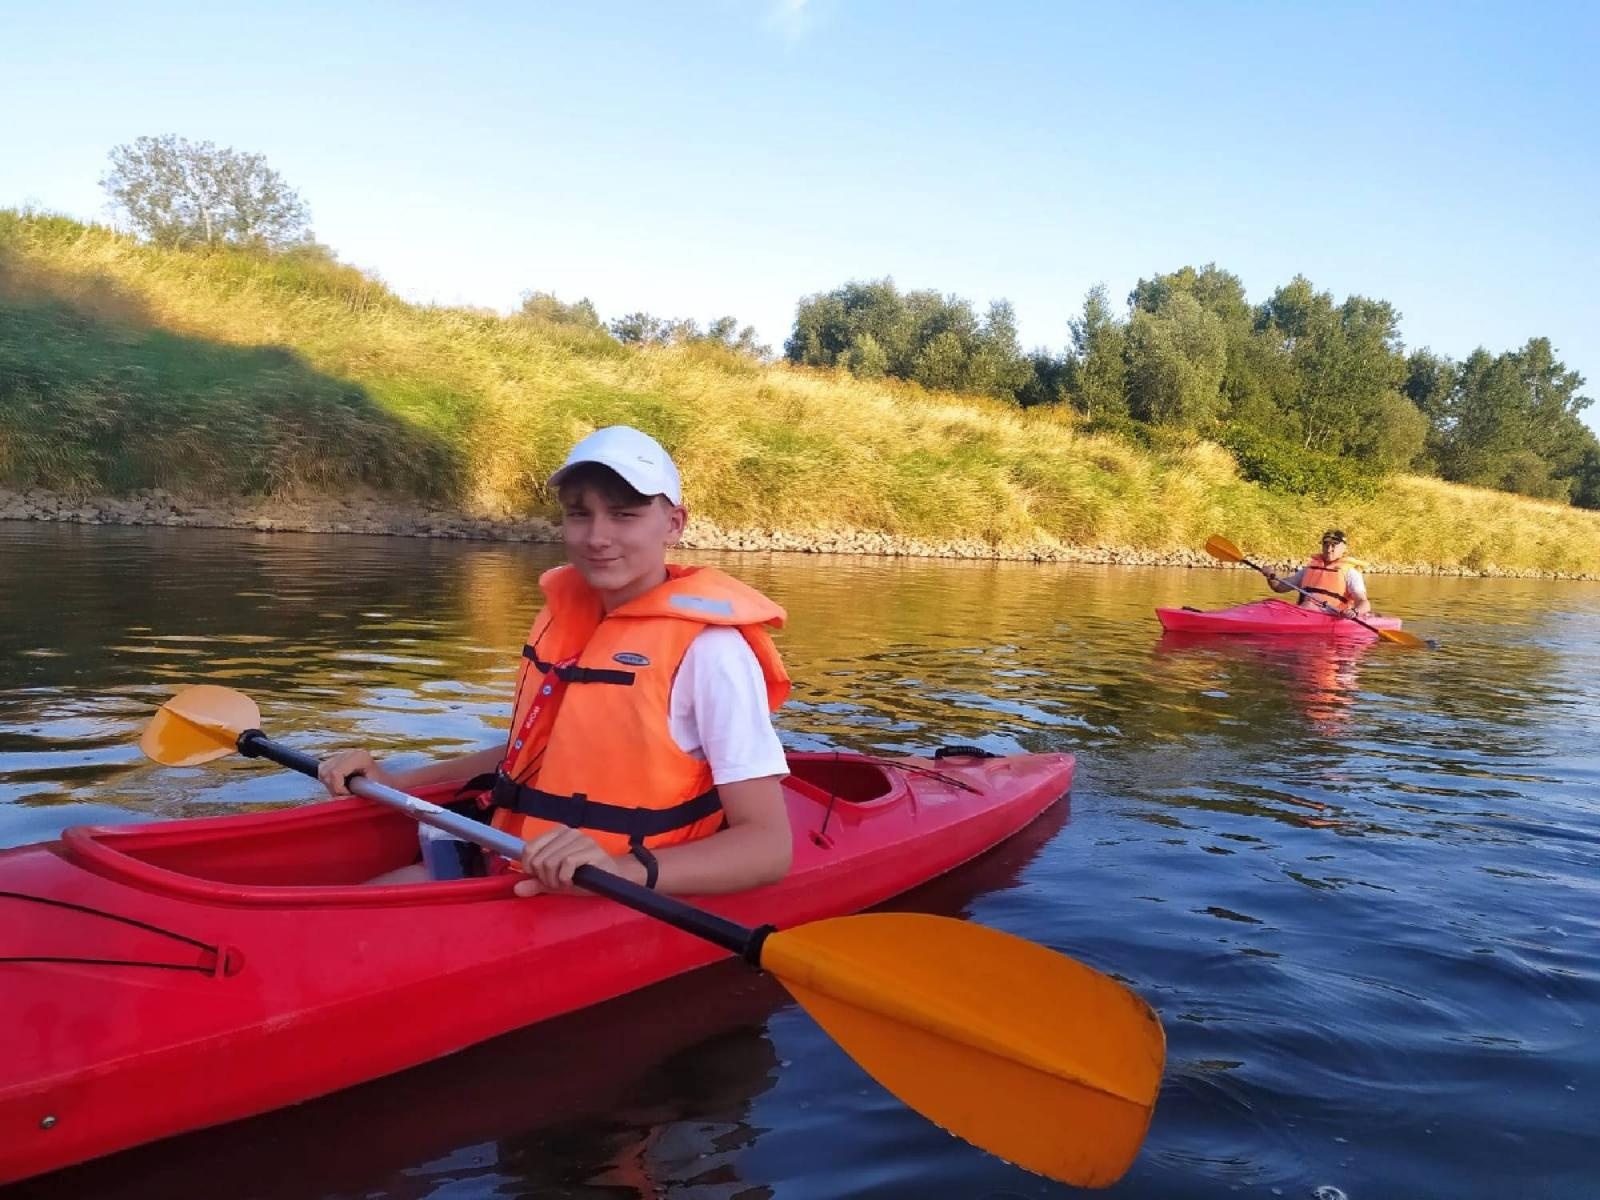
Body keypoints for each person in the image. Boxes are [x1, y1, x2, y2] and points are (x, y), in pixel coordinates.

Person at [317, 426, 795, 898]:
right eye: (579, 514)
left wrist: (618, 871)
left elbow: (768, 847)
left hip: (612, 890)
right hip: (514, 858)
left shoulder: (712, 651)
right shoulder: (569, 622)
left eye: (624, 515)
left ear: (674, 523)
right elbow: (530, 756)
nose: (597, 537)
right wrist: (398, 781)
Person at [1265, 529, 1372, 615]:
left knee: (1309, 605)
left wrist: (1355, 612)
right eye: (1326, 545)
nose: (1329, 549)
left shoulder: (1350, 573)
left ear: (1344, 548)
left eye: (1334, 545)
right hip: (1303, 612)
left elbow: (1364, 603)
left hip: (1332, 616)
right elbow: (1279, 587)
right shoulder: (1309, 569)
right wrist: (1270, 576)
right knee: (1271, 602)